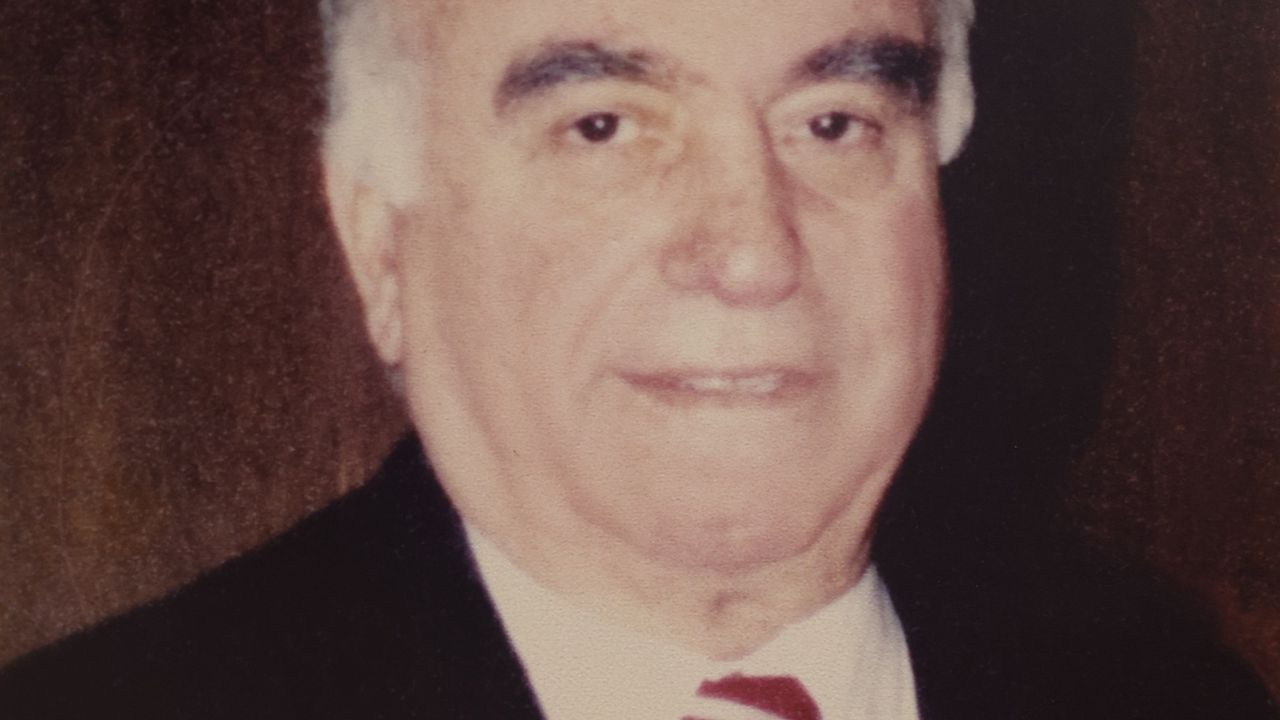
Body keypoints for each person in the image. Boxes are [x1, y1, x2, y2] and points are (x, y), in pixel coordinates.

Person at [0, 0, 1274, 717]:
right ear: (383, 245)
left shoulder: (1167, 694)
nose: (752, 251)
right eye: (603, 126)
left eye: (833, 123)